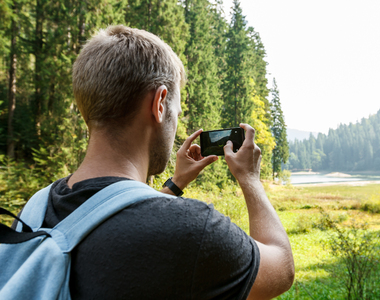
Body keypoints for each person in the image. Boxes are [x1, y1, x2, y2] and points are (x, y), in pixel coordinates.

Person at [44, 25, 294, 299]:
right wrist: (250, 179)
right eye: (177, 112)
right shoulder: (192, 230)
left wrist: (176, 183)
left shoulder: (38, 208)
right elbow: (280, 269)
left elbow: (111, 216)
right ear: (160, 104)